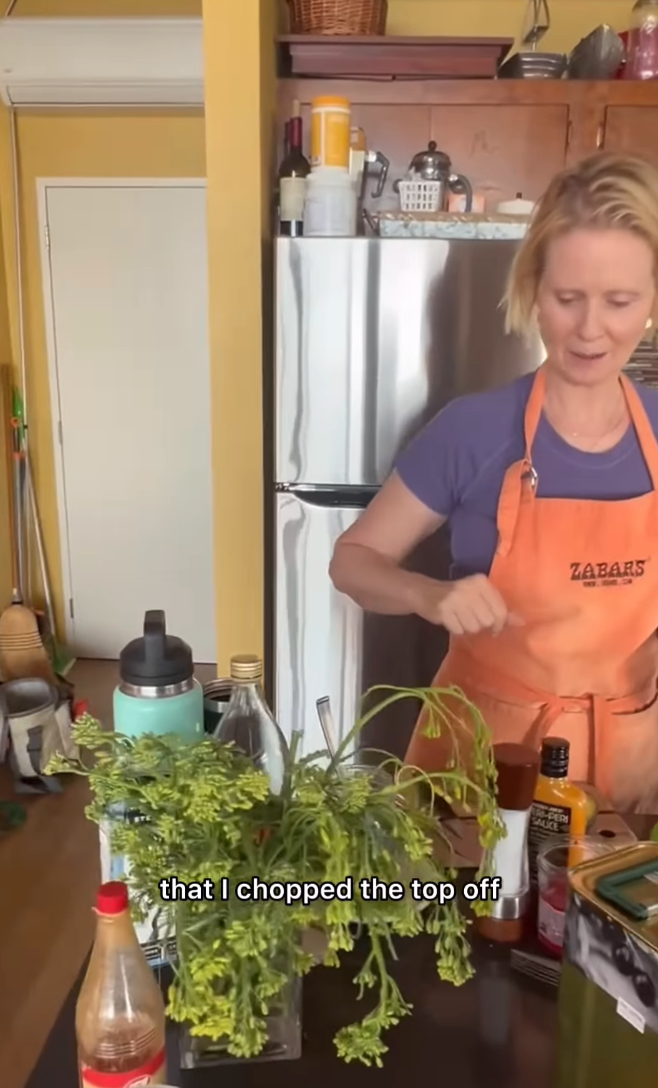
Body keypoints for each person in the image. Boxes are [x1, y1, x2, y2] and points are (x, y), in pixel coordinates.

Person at [329, 151, 658, 815]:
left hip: (625, 770)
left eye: (620, 301)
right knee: (462, 917)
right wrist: (428, 593)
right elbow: (351, 562)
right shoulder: (473, 431)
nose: (592, 329)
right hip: (477, 759)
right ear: (535, 292)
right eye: (569, 299)